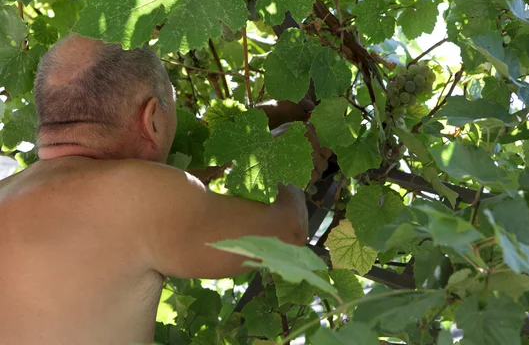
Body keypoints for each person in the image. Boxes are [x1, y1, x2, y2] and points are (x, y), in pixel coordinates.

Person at [0, 34, 324, 344]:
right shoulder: (136, 197)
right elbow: (287, 233)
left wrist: (258, 123)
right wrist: (290, 159)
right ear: (152, 118)